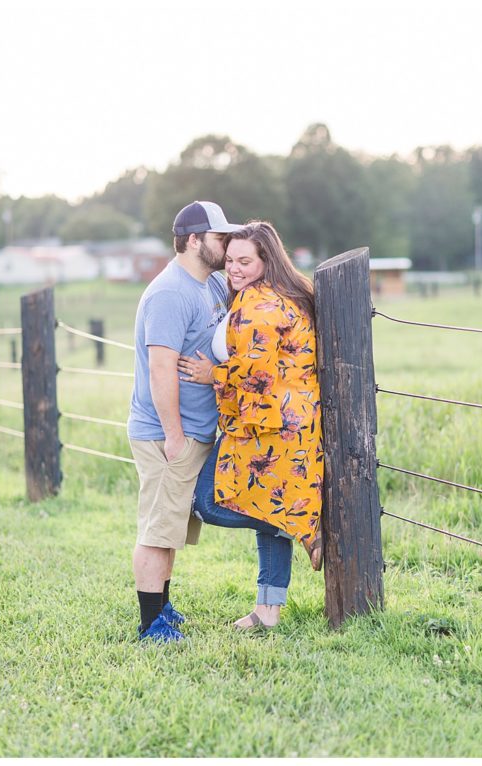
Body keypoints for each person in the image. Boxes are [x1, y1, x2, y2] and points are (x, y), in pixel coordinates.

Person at [178, 220, 324, 630]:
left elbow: (256, 371)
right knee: (267, 504)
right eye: (230, 261)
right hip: (280, 422)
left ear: (266, 260)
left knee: (207, 502)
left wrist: (213, 375)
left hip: (270, 424)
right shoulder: (272, 293)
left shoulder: (260, 304)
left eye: (245, 261)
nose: (235, 269)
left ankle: (300, 522)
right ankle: (267, 611)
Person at [127, 201, 243, 643]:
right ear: (194, 240)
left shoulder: (210, 284)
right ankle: (150, 623)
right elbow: (161, 370)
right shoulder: (170, 293)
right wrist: (173, 435)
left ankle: (164, 606)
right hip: (165, 435)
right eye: (220, 238)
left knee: (171, 529)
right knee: (157, 531)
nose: (227, 245)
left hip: (195, 430)